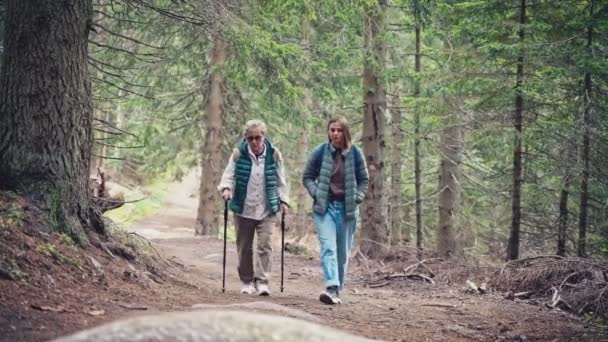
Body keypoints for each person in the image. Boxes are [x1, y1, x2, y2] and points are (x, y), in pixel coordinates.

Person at [217, 119, 289, 296]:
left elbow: (281, 181)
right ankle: (247, 281)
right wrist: (226, 189)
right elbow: (228, 175)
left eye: (258, 137)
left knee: (265, 245)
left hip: (267, 208)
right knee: (245, 246)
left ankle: (263, 282)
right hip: (243, 207)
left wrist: (284, 201)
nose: (255, 142)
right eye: (251, 138)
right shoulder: (238, 154)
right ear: (246, 138)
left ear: (264, 136)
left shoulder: (274, 154)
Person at [302, 116, 369, 305]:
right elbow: (307, 177)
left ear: (345, 132)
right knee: (328, 247)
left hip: (347, 209)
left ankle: (337, 289)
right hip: (325, 208)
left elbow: (364, 180)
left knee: (342, 253)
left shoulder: (355, 154)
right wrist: (317, 193)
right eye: (332, 130)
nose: (335, 134)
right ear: (328, 131)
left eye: (339, 130)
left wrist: (358, 197)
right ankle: (331, 287)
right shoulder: (320, 152)